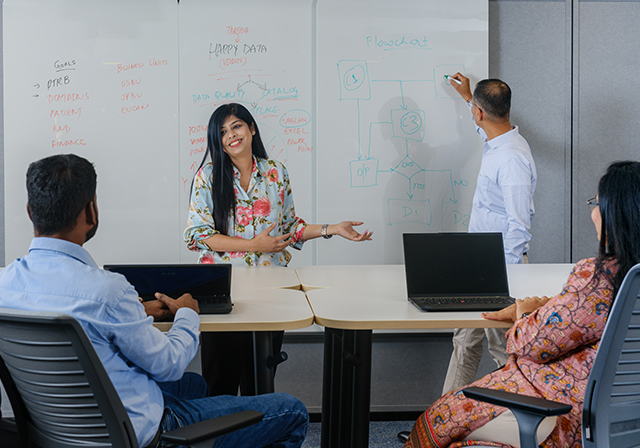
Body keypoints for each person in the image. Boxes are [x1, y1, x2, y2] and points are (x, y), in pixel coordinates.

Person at [0, 153, 308, 448]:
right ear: (91, 212)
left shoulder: (5, 286)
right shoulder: (107, 291)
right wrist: (187, 314)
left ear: (30, 210)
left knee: (196, 386)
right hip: (140, 435)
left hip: (52, 430)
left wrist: (136, 312)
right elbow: (168, 364)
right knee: (291, 410)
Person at [404, 160, 640, 448]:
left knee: (437, 419)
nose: (593, 213)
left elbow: (531, 345)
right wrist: (552, 305)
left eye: (596, 203)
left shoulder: (598, 277)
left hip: (562, 412)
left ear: (616, 213)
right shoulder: (628, 281)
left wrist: (524, 311)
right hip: (620, 420)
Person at [184, 103, 372, 396]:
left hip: (271, 288)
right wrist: (252, 246)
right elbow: (198, 235)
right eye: (222, 131)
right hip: (223, 290)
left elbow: (289, 227)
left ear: (251, 129)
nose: (231, 135)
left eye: (237, 126)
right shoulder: (207, 177)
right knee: (220, 379)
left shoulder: (275, 173)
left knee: (261, 379)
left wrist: (330, 229)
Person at [441, 74, 537, 394]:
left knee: (504, 353)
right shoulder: (499, 139)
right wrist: (469, 97)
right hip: (478, 265)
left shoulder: (512, 159)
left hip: (499, 273)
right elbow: (483, 127)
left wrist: (501, 282)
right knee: (465, 343)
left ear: (481, 114)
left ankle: (516, 421)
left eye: (475, 111)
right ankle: (443, 422)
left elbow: (519, 227)